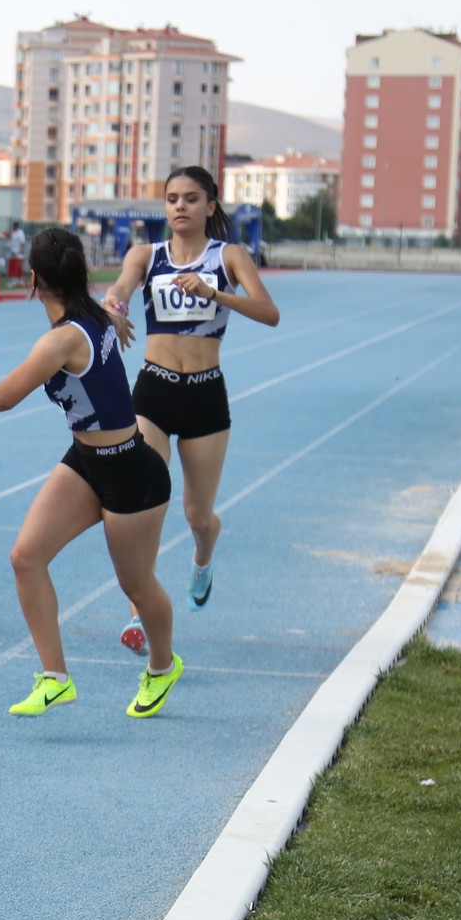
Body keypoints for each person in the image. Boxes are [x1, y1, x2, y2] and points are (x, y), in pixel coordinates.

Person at [0, 226, 183, 715]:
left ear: (33, 278)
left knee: (137, 586)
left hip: (131, 469)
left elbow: (5, 396)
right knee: (26, 556)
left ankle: (161, 666)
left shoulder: (61, 341)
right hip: (87, 462)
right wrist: (118, 319)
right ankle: (55, 677)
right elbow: (114, 313)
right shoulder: (97, 315)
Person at [103, 165, 280, 656]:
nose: (179, 207)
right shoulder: (146, 255)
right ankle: (139, 611)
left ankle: (204, 555)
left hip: (204, 394)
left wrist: (215, 292)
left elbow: (270, 312)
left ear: (210, 205)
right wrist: (113, 309)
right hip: (153, 392)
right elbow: (119, 290)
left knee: (196, 513)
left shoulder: (229, 256)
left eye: (190, 198)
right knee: (146, 504)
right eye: (172, 198)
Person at [4, 221, 28, 287]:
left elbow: (22, 242)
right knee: (10, 266)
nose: (13, 228)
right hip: (11, 251)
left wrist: (21, 251)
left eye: (14, 226)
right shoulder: (13, 232)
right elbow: (11, 240)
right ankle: (11, 279)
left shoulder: (21, 233)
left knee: (17, 266)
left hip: (18, 252)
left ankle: (19, 279)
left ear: (17, 226)